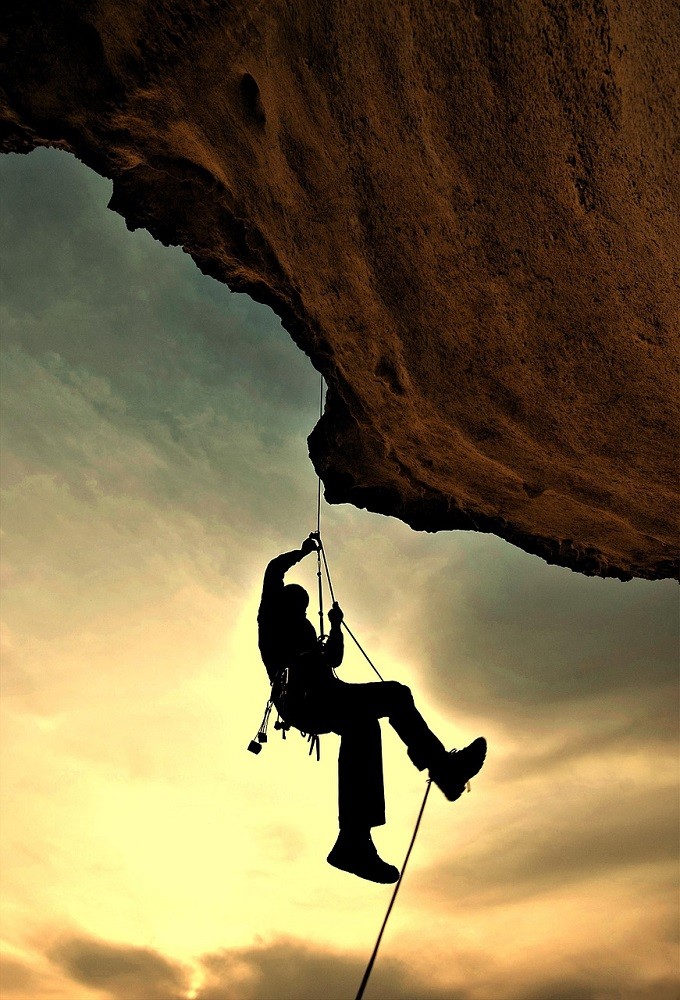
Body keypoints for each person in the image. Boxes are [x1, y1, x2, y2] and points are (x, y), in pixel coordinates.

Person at [257, 535, 487, 884]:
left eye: (304, 606)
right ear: (284, 601)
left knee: (367, 722)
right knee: (390, 699)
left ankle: (354, 840)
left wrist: (334, 627)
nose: (303, 609)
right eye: (298, 602)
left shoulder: (304, 630)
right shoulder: (270, 620)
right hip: (303, 699)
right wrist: (303, 553)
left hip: (325, 695)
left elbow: (333, 658)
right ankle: (442, 771)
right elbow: (274, 570)